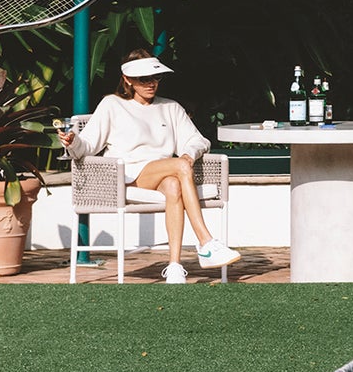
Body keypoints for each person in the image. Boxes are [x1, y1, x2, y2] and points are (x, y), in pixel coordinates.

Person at [64, 52, 240, 284]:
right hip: (127, 175)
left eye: (156, 77)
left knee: (174, 184)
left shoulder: (170, 107)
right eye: (144, 79)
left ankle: (175, 266)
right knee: (180, 166)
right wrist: (72, 141)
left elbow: (198, 141)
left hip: (166, 173)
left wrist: (189, 153)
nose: (151, 83)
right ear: (127, 80)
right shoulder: (112, 104)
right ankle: (206, 242)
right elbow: (87, 146)